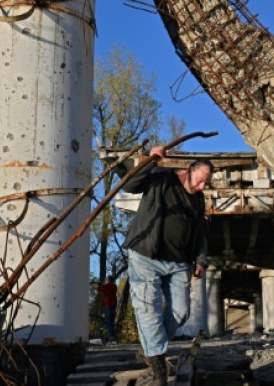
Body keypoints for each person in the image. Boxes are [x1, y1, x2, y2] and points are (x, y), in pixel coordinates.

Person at [120, 146, 211, 385]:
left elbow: (200, 232)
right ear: (189, 171)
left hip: (178, 263)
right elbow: (129, 186)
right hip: (146, 258)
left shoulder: (198, 199)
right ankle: (159, 371)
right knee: (149, 311)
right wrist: (150, 161)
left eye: (205, 183)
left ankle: (150, 349)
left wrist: (200, 260)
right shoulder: (162, 178)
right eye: (200, 181)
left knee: (181, 312)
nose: (201, 187)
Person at [96, 276, 117, 343]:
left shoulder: (106, 286)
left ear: (108, 280)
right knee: (112, 321)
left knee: (108, 321)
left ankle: (110, 336)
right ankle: (113, 336)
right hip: (113, 305)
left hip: (107, 305)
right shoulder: (114, 286)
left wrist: (99, 285)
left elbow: (99, 289)